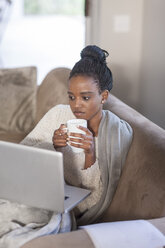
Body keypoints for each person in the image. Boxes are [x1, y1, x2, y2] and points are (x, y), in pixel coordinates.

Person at [0, 45, 133, 247]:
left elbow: (93, 199)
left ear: (103, 96)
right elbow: (24, 153)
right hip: (36, 190)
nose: (76, 105)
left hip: (63, 208)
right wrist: (53, 146)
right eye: (71, 96)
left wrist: (90, 154)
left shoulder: (114, 134)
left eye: (85, 97)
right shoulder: (58, 114)